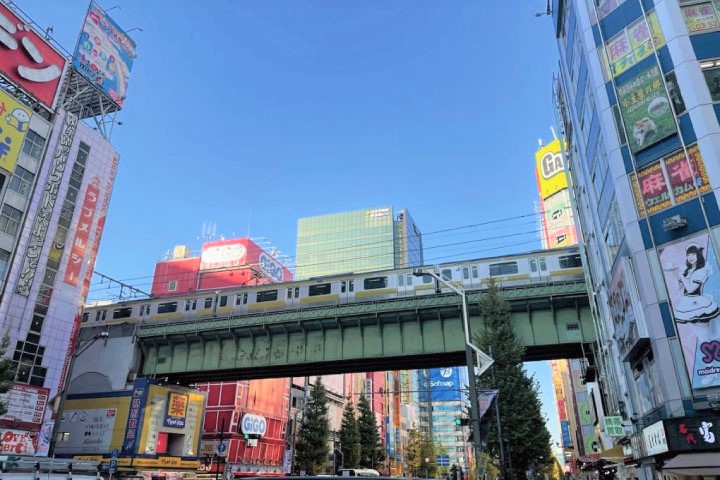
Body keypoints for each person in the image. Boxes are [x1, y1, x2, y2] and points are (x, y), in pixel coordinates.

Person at [674, 244, 720, 322]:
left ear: (698, 255)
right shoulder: (687, 270)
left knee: (703, 329)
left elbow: (691, 289)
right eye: (688, 255)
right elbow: (679, 288)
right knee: (698, 330)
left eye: (693, 254)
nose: (690, 257)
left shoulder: (702, 270)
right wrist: (676, 275)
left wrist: (682, 276)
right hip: (686, 301)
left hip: (697, 301)